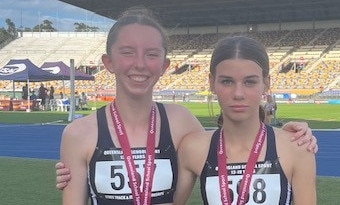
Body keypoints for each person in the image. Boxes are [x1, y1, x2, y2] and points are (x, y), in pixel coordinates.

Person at [57, 8, 317, 205]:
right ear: (108, 62)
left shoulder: (182, 124)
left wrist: (296, 133)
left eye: (151, 54)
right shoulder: (78, 135)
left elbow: (231, 141)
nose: (238, 93)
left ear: (164, 65)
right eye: (127, 52)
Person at [174, 36, 316, 205]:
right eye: (227, 81)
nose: (238, 94)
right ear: (212, 83)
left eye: (249, 82)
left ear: (266, 83)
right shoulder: (193, 148)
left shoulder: (297, 148)